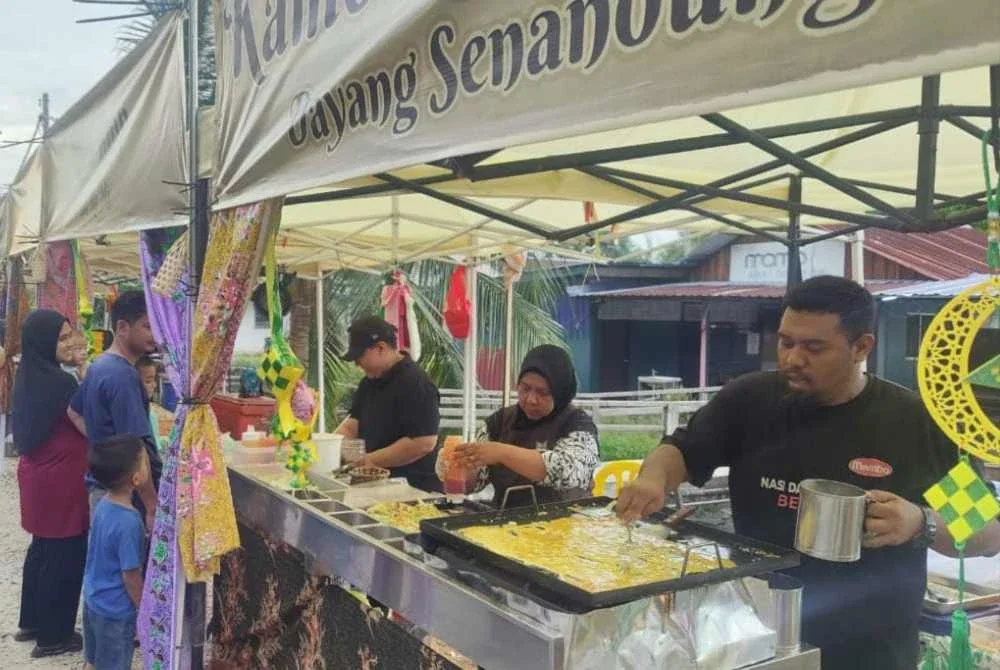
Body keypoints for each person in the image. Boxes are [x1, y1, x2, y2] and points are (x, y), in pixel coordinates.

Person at [615, 276, 1000, 669]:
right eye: (786, 342)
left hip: (870, 649)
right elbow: (679, 450)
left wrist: (922, 523)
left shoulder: (916, 423)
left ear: (861, 347)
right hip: (754, 638)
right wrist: (653, 478)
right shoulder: (750, 400)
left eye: (814, 348)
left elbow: (987, 532)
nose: (792, 359)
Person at [12, 310, 89, 658]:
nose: (71, 342)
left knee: (42, 549)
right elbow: (90, 422)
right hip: (60, 479)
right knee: (65, 554)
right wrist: (85, 372)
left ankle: (32, 622)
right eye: (62, 337)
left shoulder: (28, 374)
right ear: (43, 343)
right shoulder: (62, 383)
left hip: (37, 477)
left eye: (71, 334)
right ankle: (54, 636)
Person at [439, 345, 600, 508]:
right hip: (505, 524)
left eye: (543, 392)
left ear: (560, 393)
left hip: (566, 524)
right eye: (525, 388)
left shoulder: (577, 424)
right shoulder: (499, 422)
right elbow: (474, 483)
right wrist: (457, 467)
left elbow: (568, 471)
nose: (531, 399)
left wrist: (502, 453)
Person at [68, 290, 161, 530]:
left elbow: (73, 412)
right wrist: (152, 505)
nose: (156, 335)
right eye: (148, 327)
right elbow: (136, 448)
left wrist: (103, 443)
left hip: (104, 491)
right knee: (126, 565)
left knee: (104, 562)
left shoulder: (99, 365)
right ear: (122, 327)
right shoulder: (123, 376)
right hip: (126, 495)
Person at [336, 315, 441, 491]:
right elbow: (351, 426)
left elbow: (423, 442)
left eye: (359, 356)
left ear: (381, 348)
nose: (357, 364)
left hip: (413, 488)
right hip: (374, 484)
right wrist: (328, 447)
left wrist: (369, 460)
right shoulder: (368, 383)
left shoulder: (416, 383)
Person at [82, 435, 148, 670]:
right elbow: (130, 574)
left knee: (93, 660)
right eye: (144, 461)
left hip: (92, 599)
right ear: (136, 478)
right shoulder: (130, 522)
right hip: (116, 612)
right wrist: (144, 607)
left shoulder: (102, 505)